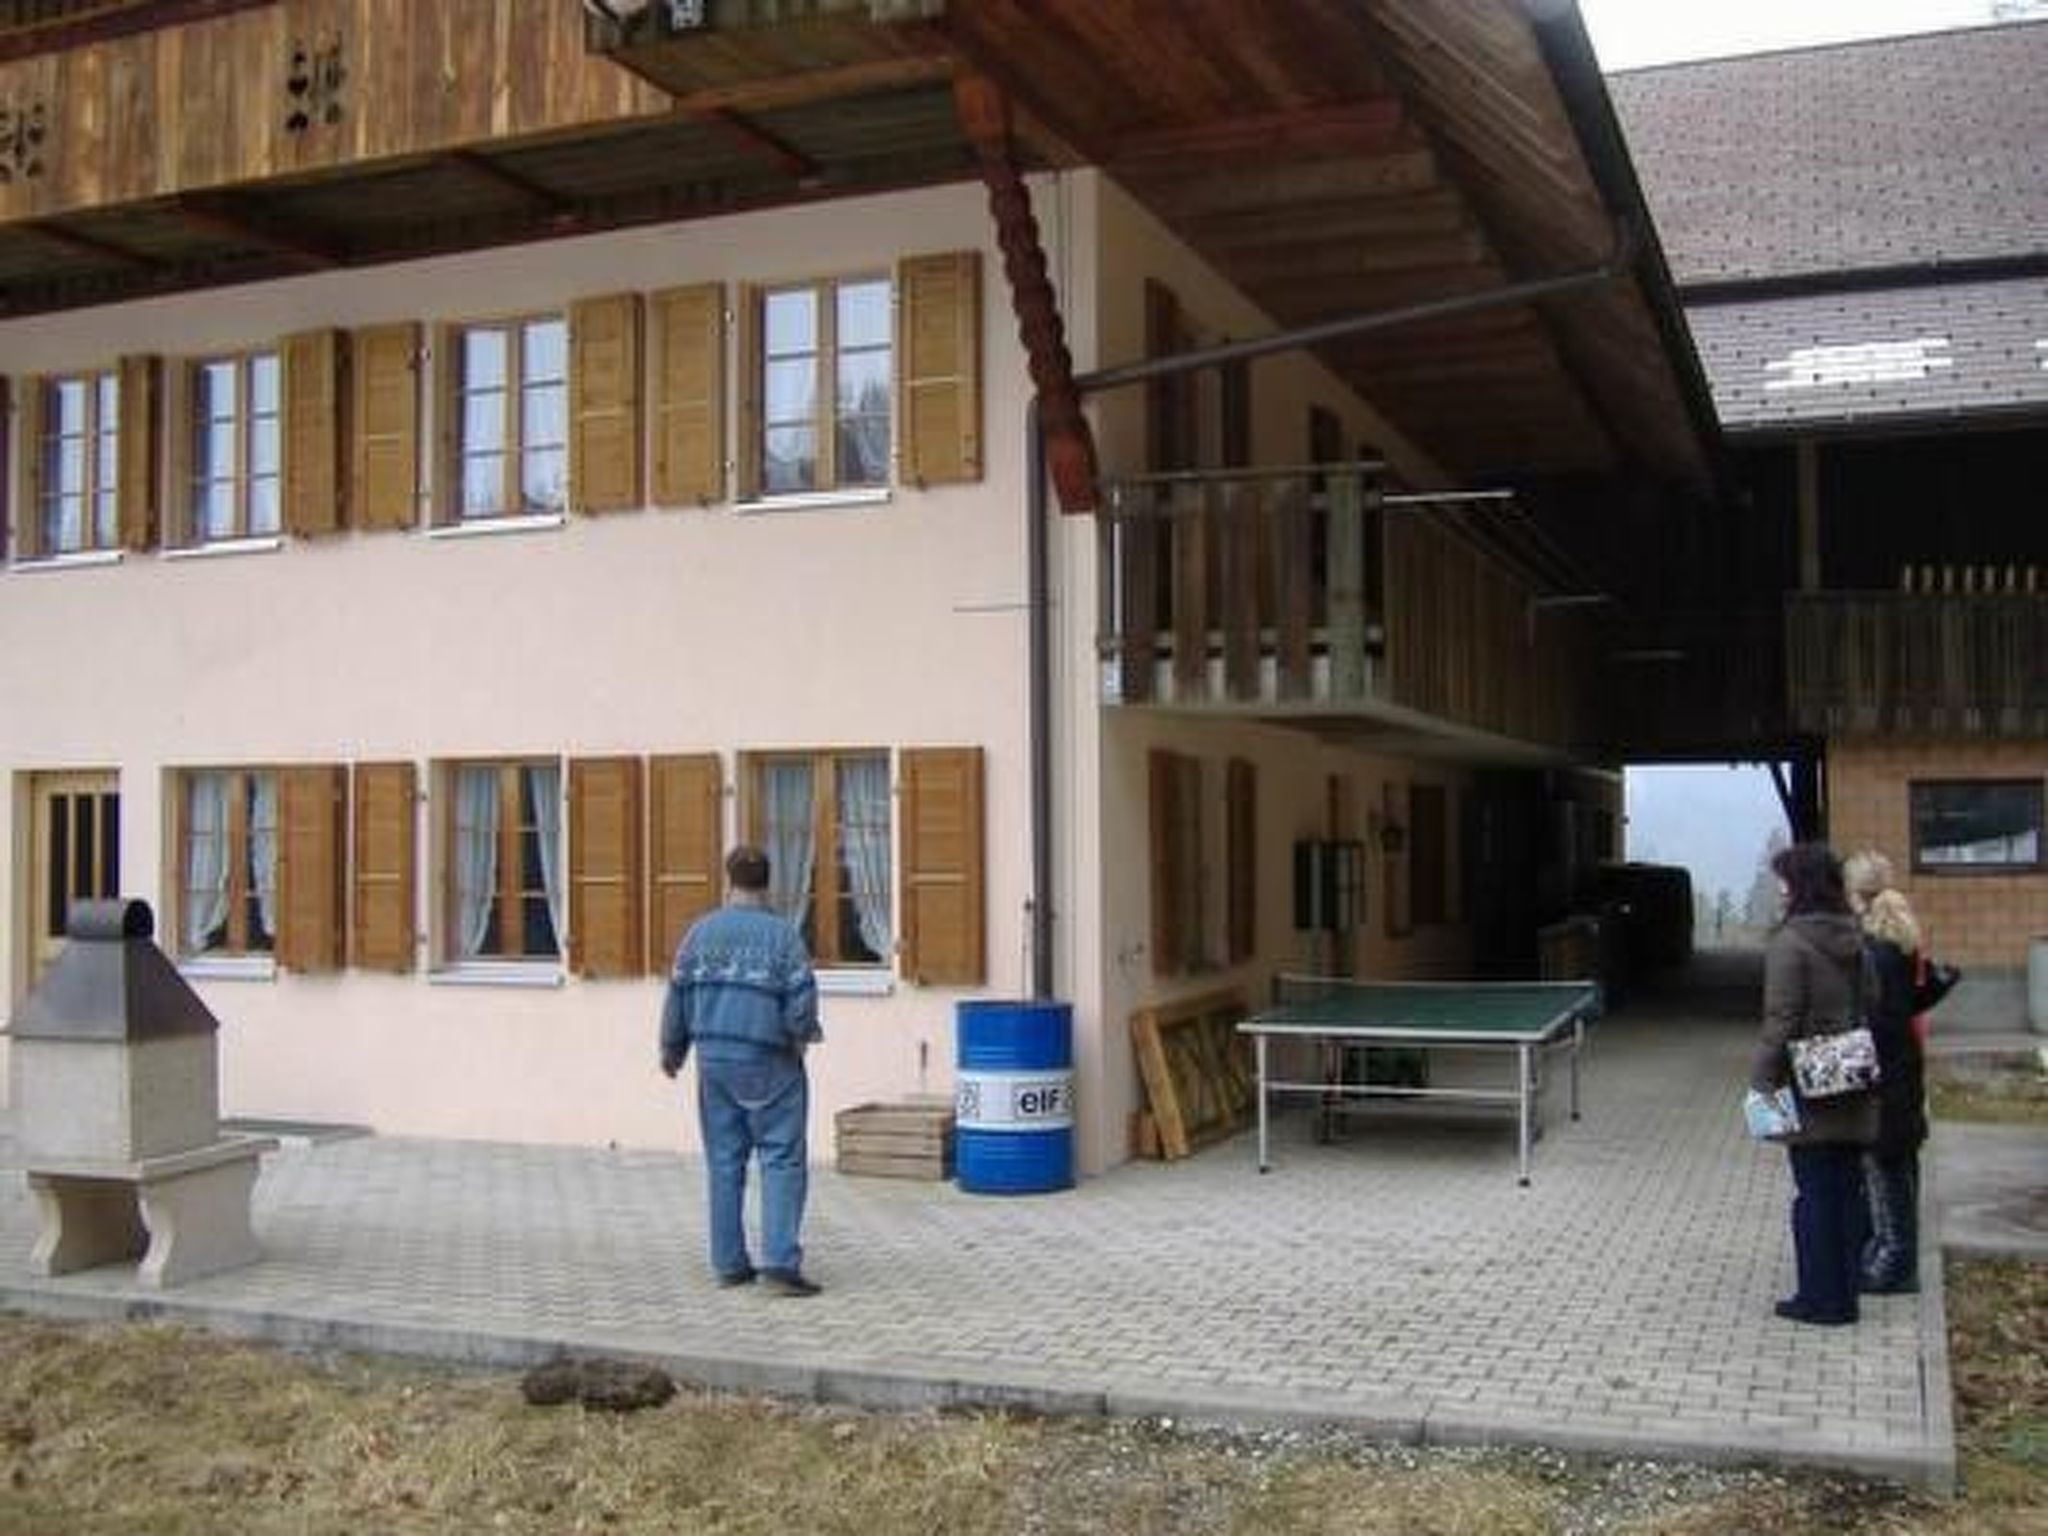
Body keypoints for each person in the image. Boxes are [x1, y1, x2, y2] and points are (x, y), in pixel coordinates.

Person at [660, 845, 824, 1297]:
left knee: (724, 1160)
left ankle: (729, 1263)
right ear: (768, 883)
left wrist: (672, 1050)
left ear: (728, 880)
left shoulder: (699, 933)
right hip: (771, 1060)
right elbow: (802, 1000)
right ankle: (779, 1265)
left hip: (713, 1062)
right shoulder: (783, 936)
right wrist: (800, 1037)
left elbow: (677, 995)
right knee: (781, 1157)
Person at [1750, 841, 1879, 1326]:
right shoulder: (1855, 936)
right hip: (1853, 1068)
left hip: (1809, 1078)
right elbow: (1873, 999)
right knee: (1847, 1190)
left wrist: (1762, 1081)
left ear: (1801, 885)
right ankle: (1846, 1292)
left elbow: (1781, 1018)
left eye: (1785, 881)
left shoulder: (1791, 943)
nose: (1781, 890)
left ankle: (1820, 1298)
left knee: (1814, 1194)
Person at [1842, 850, 1954, 1296]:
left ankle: (1894, 1262)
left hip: (1884, 1077)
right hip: (1904, 1070)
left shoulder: (1871, 951)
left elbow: (1877, 1018)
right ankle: (1890, 1253)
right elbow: (1905, 1008)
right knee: (1900, 1166)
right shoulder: (1900, 941)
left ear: (1855, 894)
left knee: (1885, 1170)